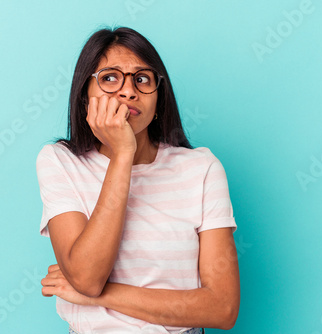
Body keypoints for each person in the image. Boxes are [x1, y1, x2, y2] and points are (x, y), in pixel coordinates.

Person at [36, 26, 240, 334]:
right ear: (84, 98)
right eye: (109, 78)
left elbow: (222, 309)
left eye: (142, 79)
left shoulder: (201, 168)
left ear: (158, 97)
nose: (129, 91)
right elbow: (87, 277)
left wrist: (100, 297)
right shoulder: (60, 161)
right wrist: (122, 156)